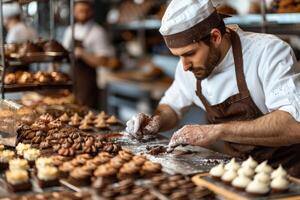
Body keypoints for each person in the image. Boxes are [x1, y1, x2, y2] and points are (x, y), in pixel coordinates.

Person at [126, 0, 300, 177]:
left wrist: (217, 131)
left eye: (189, 54)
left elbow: (294, 125)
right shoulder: (187, 66)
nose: (184, 66)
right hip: (237, 172)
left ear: (215, 37)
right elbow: (171, 107)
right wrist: (155, 122)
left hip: (288, 174)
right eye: (178, 56)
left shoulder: (267, 52)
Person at [63, 0, 117, 108]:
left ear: (91, 12)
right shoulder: (70, 30)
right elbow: (64, 54)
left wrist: (83, 54)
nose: (83, 14)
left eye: (85, 11)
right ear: (74, 12)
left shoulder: (98, 32)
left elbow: (104, 61)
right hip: (71, 80)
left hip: (88, 83)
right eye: (79, 11)